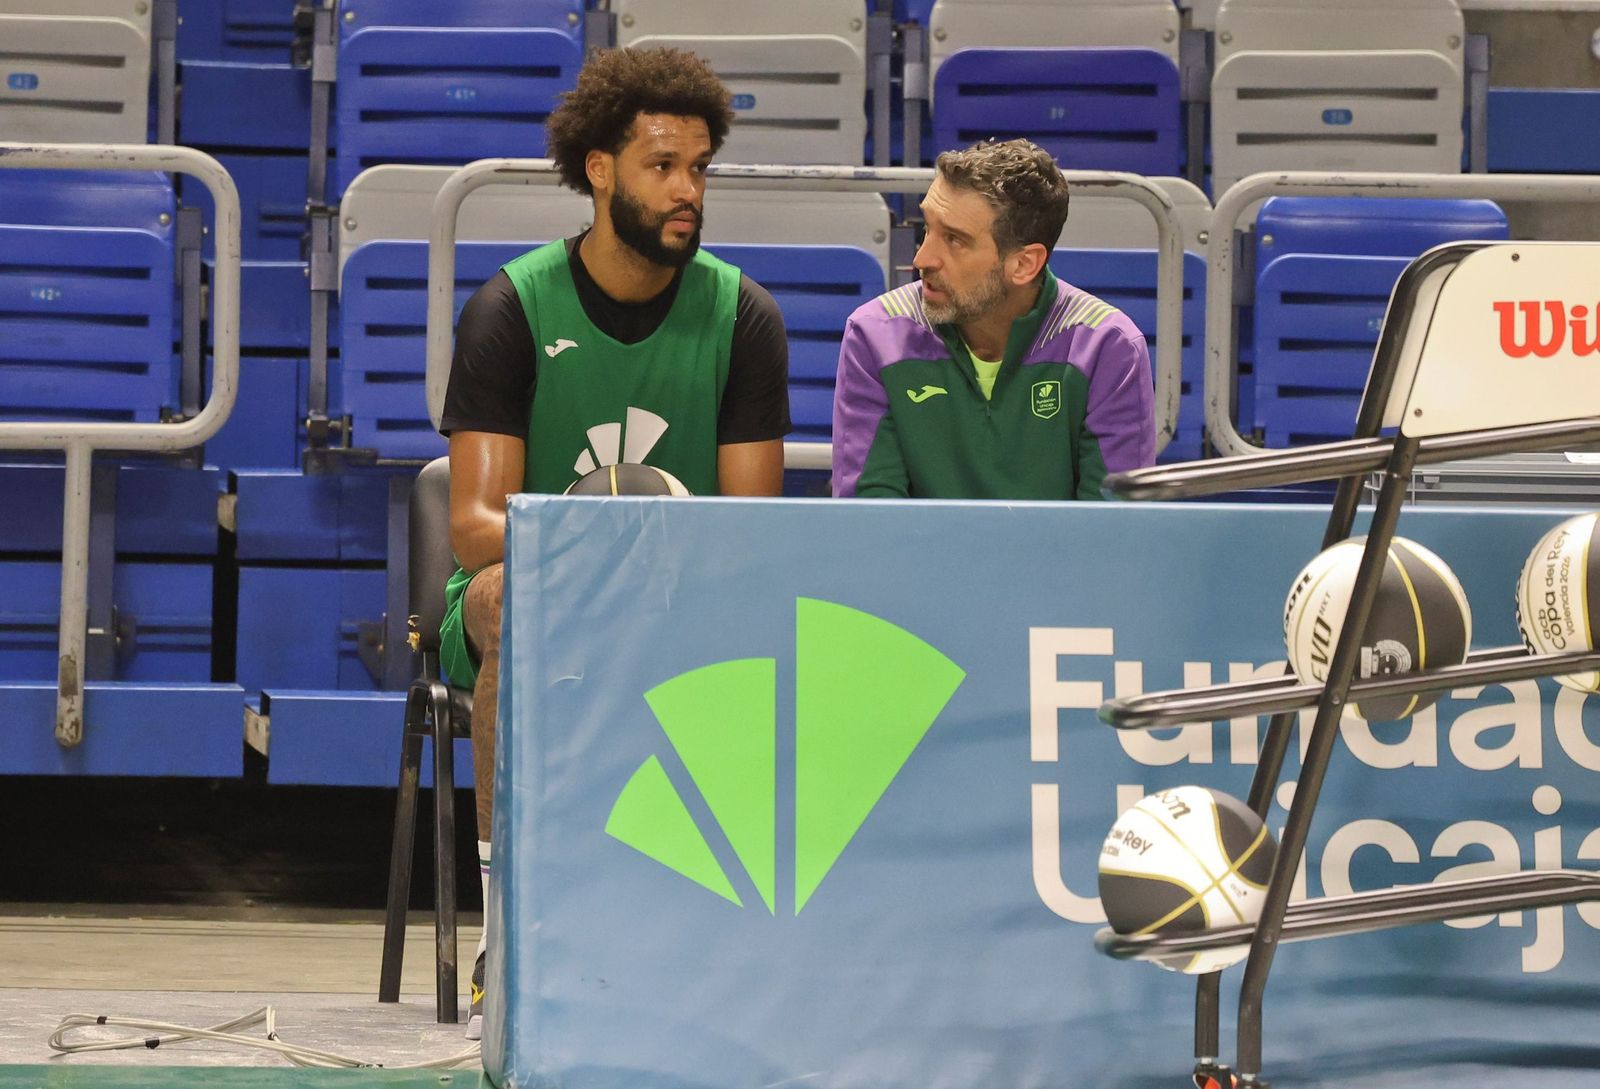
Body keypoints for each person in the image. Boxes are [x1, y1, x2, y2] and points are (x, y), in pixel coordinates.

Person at [436, 46, 790, 1039]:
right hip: (537, 593)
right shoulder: (512, 307)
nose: (688, 191)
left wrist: (652, 567)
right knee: (506, 599)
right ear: (599, 170)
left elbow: (753, 527)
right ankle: (511, 924)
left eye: (700, 168)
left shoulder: (742, 316)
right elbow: (473, 527)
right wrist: (609, 560)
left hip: (690, 589)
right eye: (663, 166)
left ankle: (729, 932)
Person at [831, 139, 1154, 499]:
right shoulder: (875, 335)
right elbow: (871, 523)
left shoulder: (1108, 347)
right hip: (921, 557)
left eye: (954, 239)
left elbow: (1114, 531)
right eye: (928, 228)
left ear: (1024, 264)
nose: (922, 259)